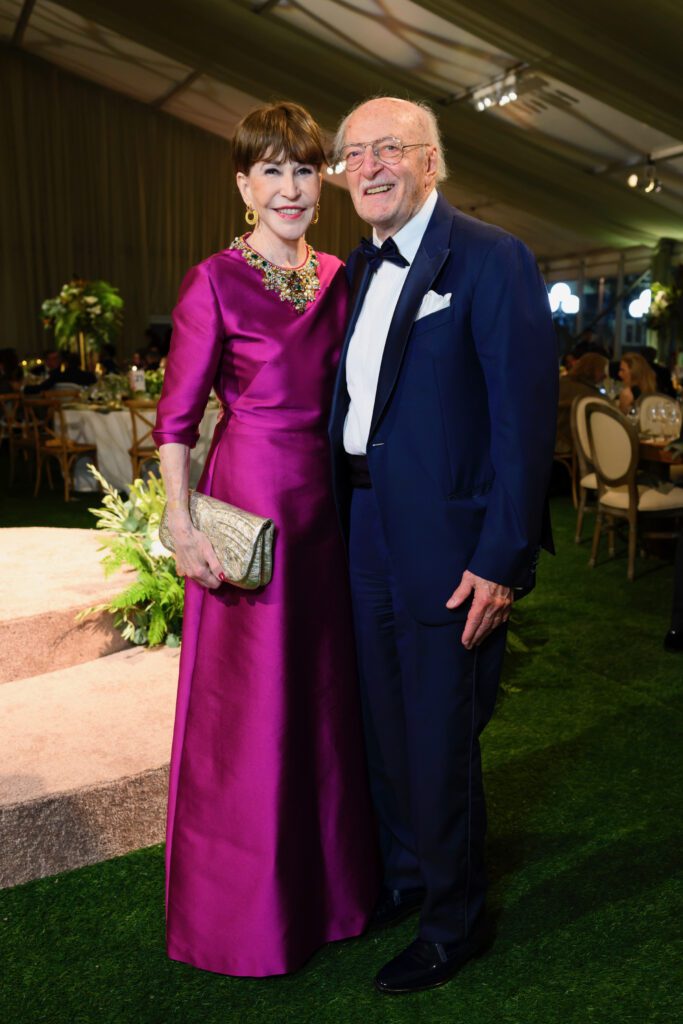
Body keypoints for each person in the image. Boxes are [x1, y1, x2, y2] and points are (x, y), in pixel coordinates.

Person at [328, 97, 558, 994]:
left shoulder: (492, 258)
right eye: (355, 153)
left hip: (451, 543)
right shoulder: (352, 270)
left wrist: (502, 558)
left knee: (439, 732)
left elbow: (523, 424)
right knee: (383, 724)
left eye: (390, 149)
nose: (370, 165)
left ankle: (452, 922)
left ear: (433, 164)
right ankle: (408, 877)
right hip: (360, 529)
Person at [152, 101, 378, 978]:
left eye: (304, 169)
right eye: (271, 171)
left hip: (333, 514)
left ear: (322, 183)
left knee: (324, 710)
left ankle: (334, 895)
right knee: (250, 720)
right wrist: (180, 526)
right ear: (243, 186)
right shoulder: (212, 280)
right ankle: (242, 917)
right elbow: (175, 425)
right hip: (249, 516)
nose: (290, 187)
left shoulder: (343, 275)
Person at [556, 352, 609, 453]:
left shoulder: (559, 384)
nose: (605, 375)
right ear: (595, 370)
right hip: (575, 448)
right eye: (603, 370)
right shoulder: (592, 396)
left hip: (551, 445)